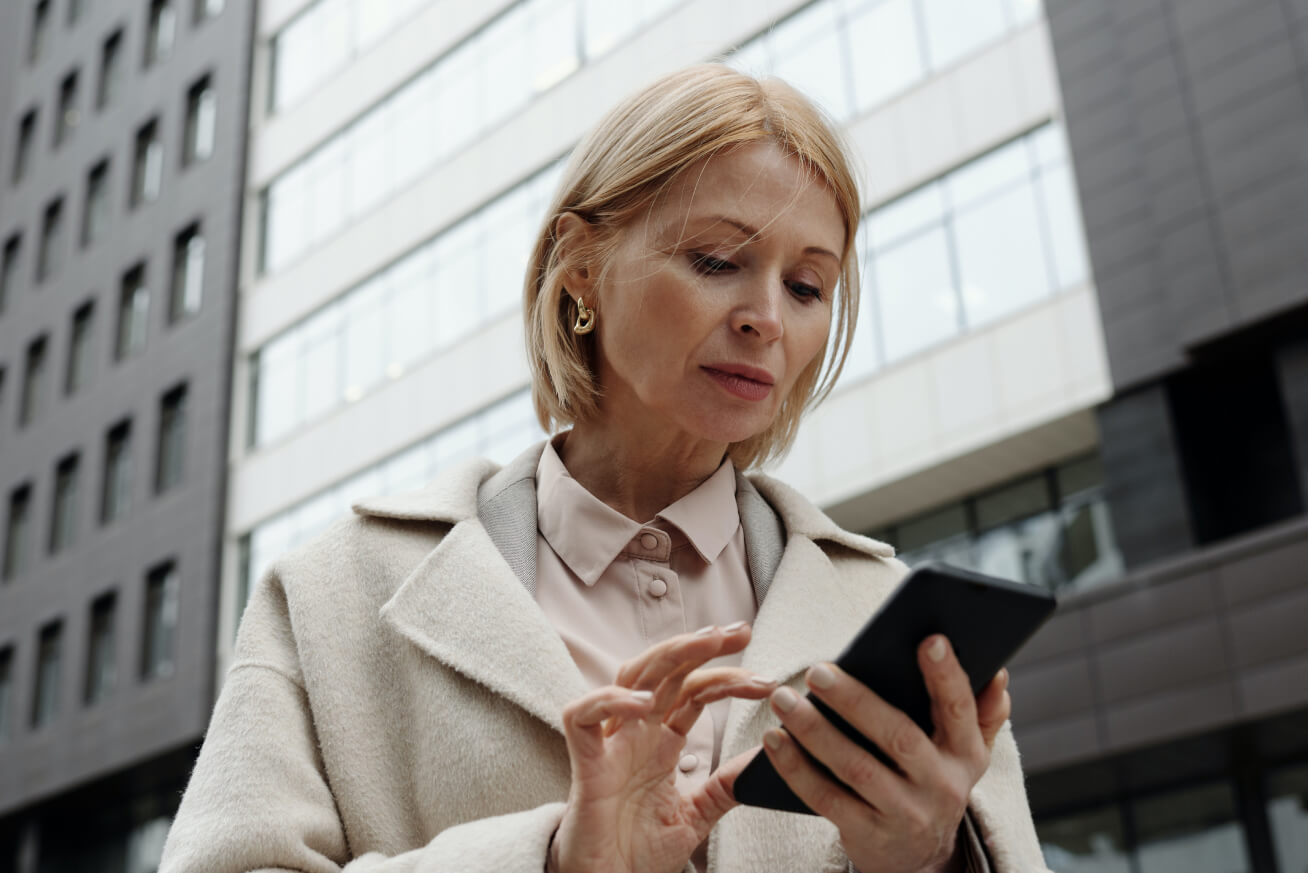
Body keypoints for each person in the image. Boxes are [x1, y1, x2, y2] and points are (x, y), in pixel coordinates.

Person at [158, 64, 1049, 873]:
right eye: (717, 260)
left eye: (807, 287)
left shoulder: (891, 615)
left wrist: (930, 859)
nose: (767, 317)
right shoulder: (332, 595)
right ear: (580, 269)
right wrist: (549, 861)